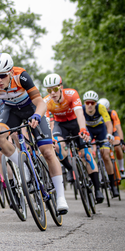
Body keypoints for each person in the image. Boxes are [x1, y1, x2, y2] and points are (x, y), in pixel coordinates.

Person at [0, 52, 69, 214]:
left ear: (10, 72)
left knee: (47, 151)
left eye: (2, 75)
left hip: (31, 108)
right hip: (11, 111)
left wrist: (37, 115)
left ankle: (60, 197)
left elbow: (41, 103)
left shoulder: (21, 76)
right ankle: (23, 164)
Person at [43, 74, 103, 203]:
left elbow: (80, 113)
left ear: (61, 87)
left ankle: (97, 189)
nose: (52, 93)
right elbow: (48, 122)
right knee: (57, 146)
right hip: (60, 125)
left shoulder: (71, 94)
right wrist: (50, 137)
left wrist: (83, 129)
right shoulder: (46, 101)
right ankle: (70, 169)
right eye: (49, 90)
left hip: (75, 123)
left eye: (55, 89)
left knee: (87, 155)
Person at [82, 90, 118, 197]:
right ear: (84, 103)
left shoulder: (101, 108)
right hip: (89, 131)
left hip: (101, 130)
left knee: (106, 155)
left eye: (92, 103)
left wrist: (109, 134)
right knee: (86, 154)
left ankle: (113, 185)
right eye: (87, 102)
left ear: (96, 103)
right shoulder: (82, 109)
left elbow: (109, 123)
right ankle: (90, 178)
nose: (89, 105)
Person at [99, 97, 125, 178]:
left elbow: (118, 127)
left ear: (108, 108)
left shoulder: (112, 113)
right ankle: (103, 172)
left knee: (117, 147)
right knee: (102, 152)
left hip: (113, 132)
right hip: (103, 133)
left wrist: (122, 140)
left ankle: (122, 169)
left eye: (105, 109)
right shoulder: (97, 114)